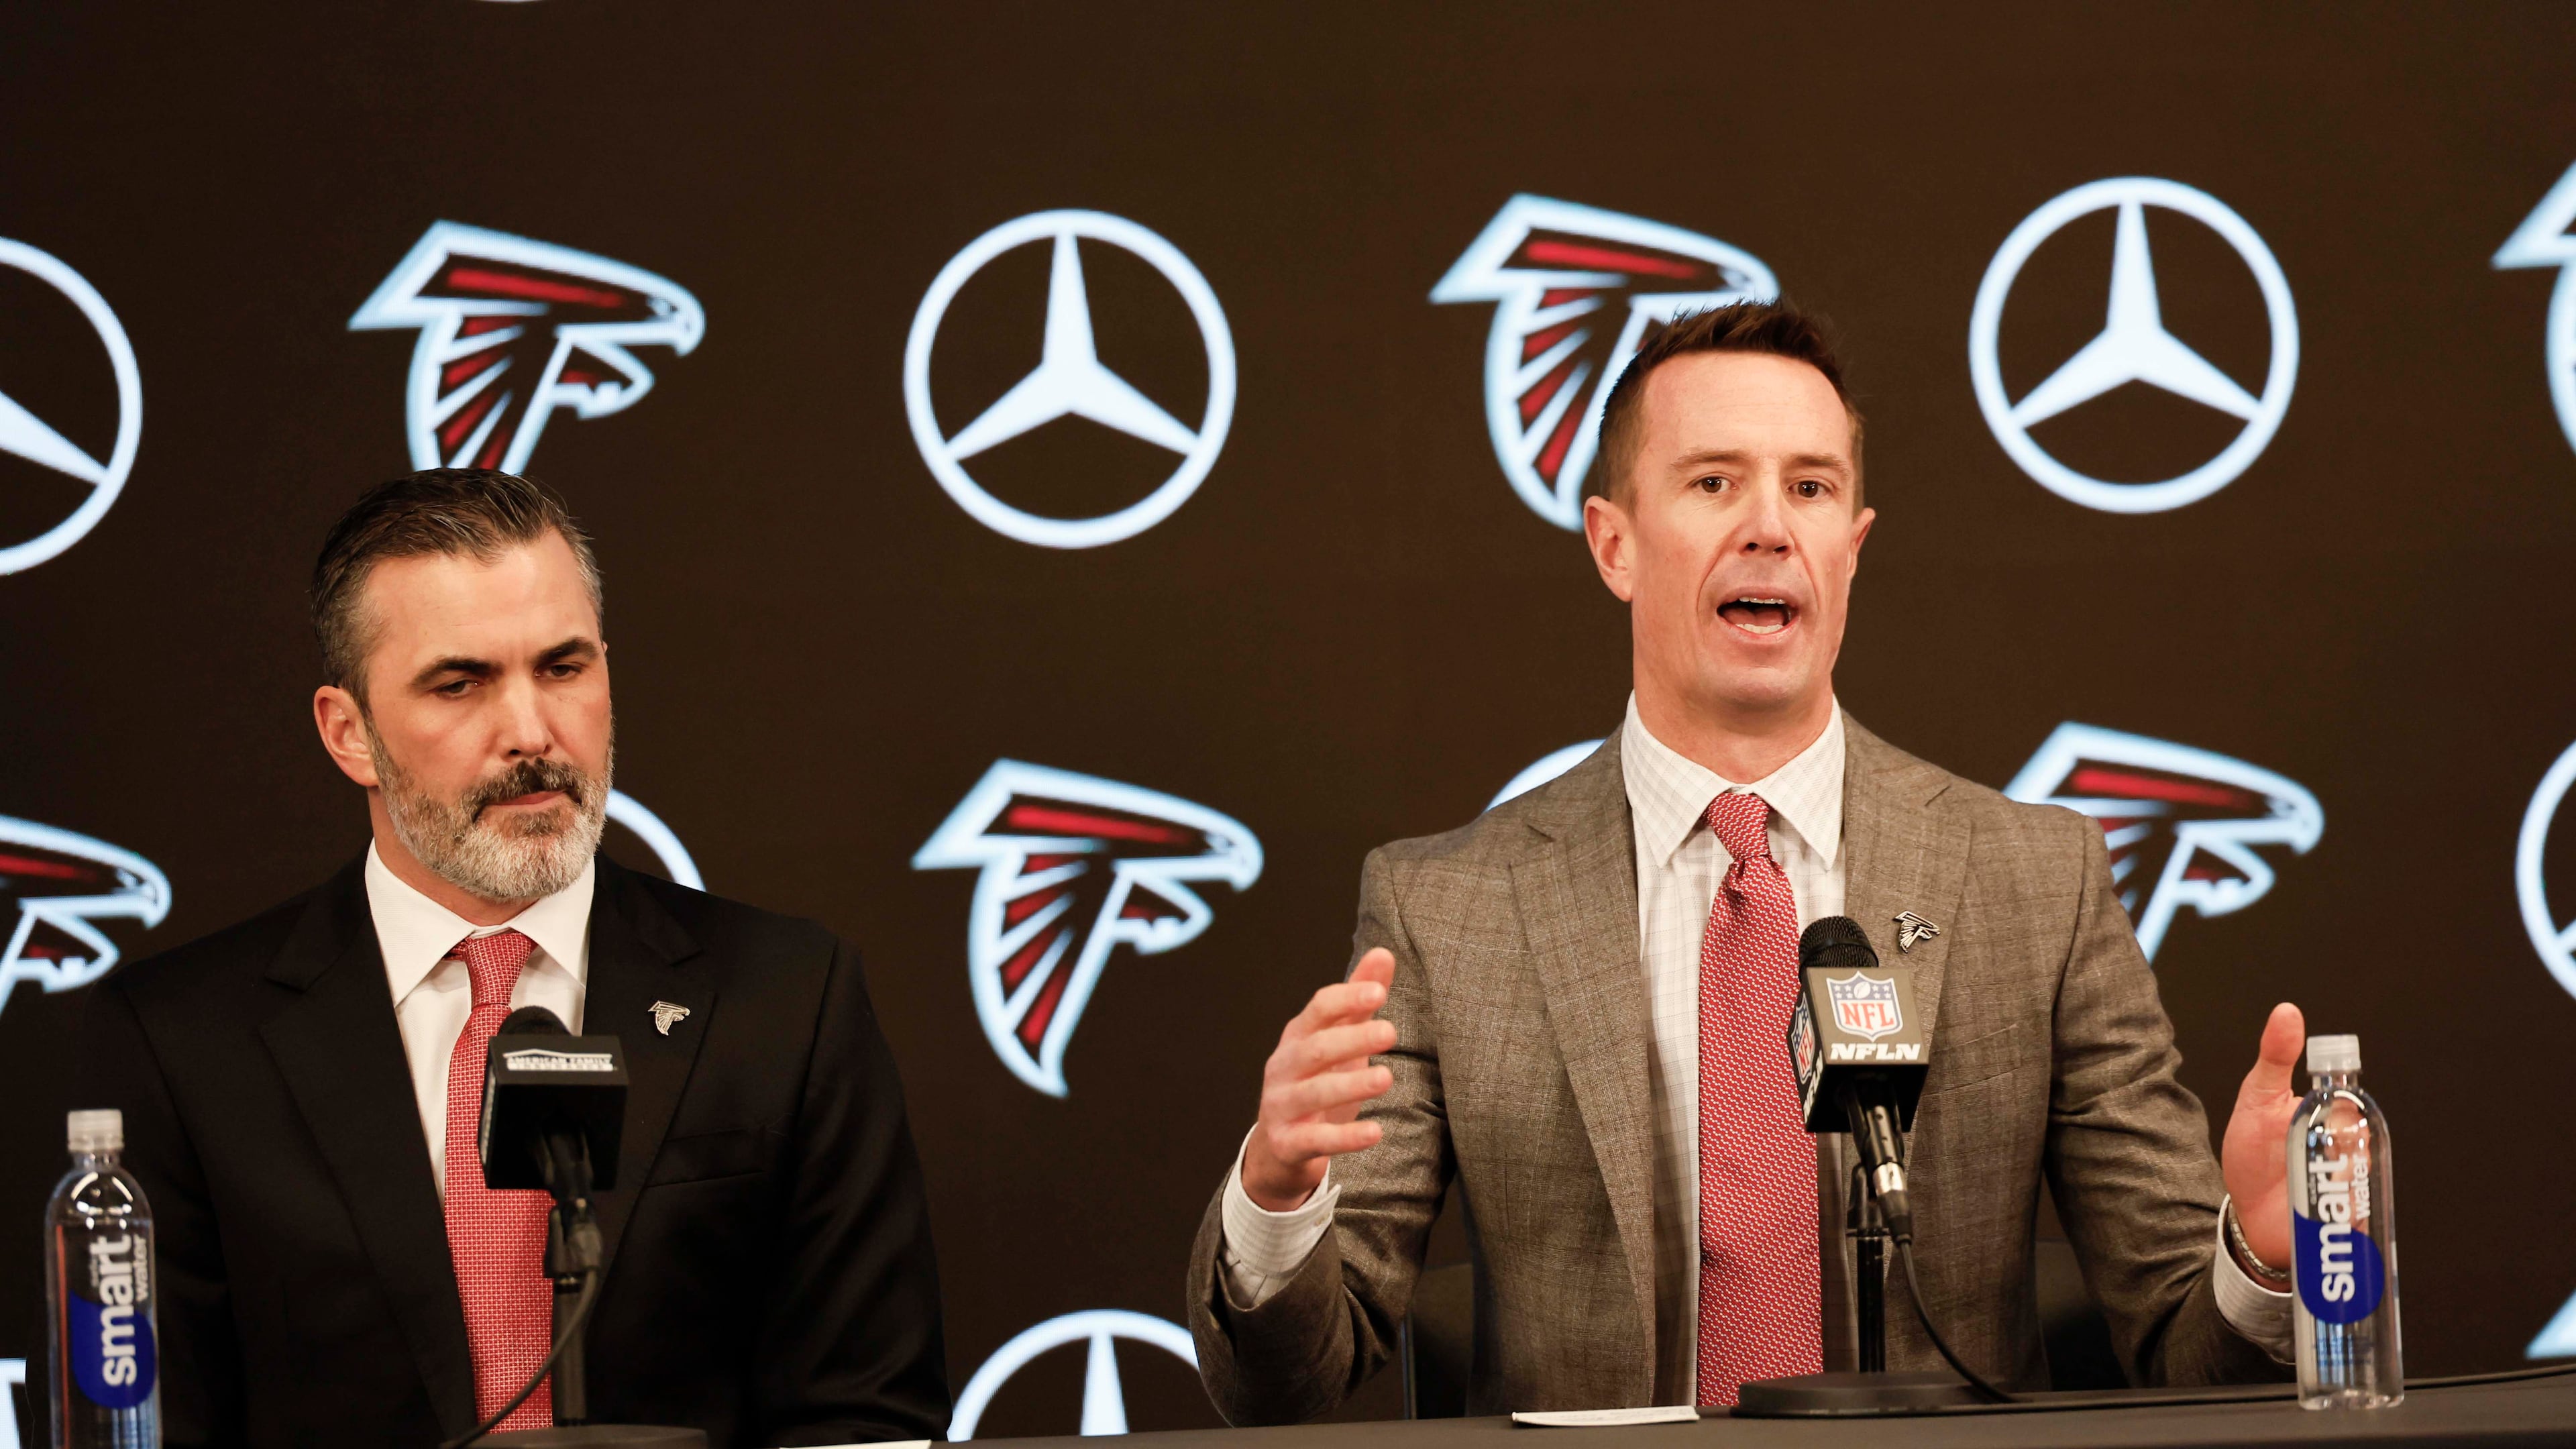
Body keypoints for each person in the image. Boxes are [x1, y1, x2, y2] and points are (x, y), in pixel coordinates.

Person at [1185, 302, 2309, 1419]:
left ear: (1851, 550)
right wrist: (1277, 1199)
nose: (1771, 527)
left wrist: (2261, 1257)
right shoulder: (1448, 908)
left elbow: (2190, 1351)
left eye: (1810, 488)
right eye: (1715, 482)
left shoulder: (2035, 881)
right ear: (1614, 544)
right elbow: (1287, 1380)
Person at [74, 470, 949, 1447]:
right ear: (348, 733)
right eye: (461, 683)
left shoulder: (787, 997)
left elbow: (866, 1417)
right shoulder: (182, 1042)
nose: (532, 733)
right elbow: (143, 1425)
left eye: (564, 668)